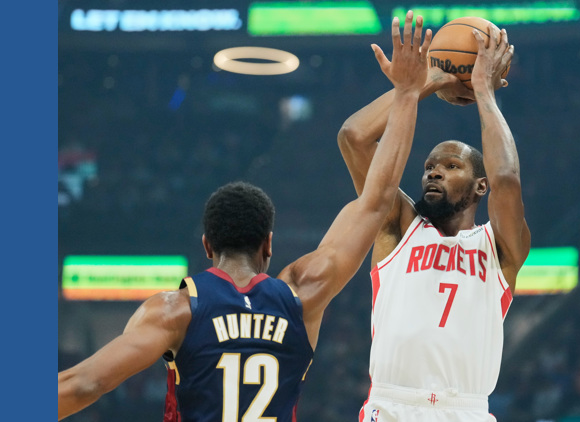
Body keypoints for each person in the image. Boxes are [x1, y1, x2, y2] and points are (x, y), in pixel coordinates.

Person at [58, 12, 433, 422]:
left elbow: (83, 384)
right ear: (268, 243)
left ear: (207, 245)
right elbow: (376, 201)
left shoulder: (173, 311)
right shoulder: (302, 295)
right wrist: (407, 94)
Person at [337, 23, 531, 422]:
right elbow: (354, 137)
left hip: (466, 409)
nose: (434, 172)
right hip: (391, 405)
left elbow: (507, 180)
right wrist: (422, 83)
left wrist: (484, 91)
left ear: (480, 186)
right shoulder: (398, 226)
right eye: (429, 167)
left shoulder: (499, 249)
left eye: (451, 166)